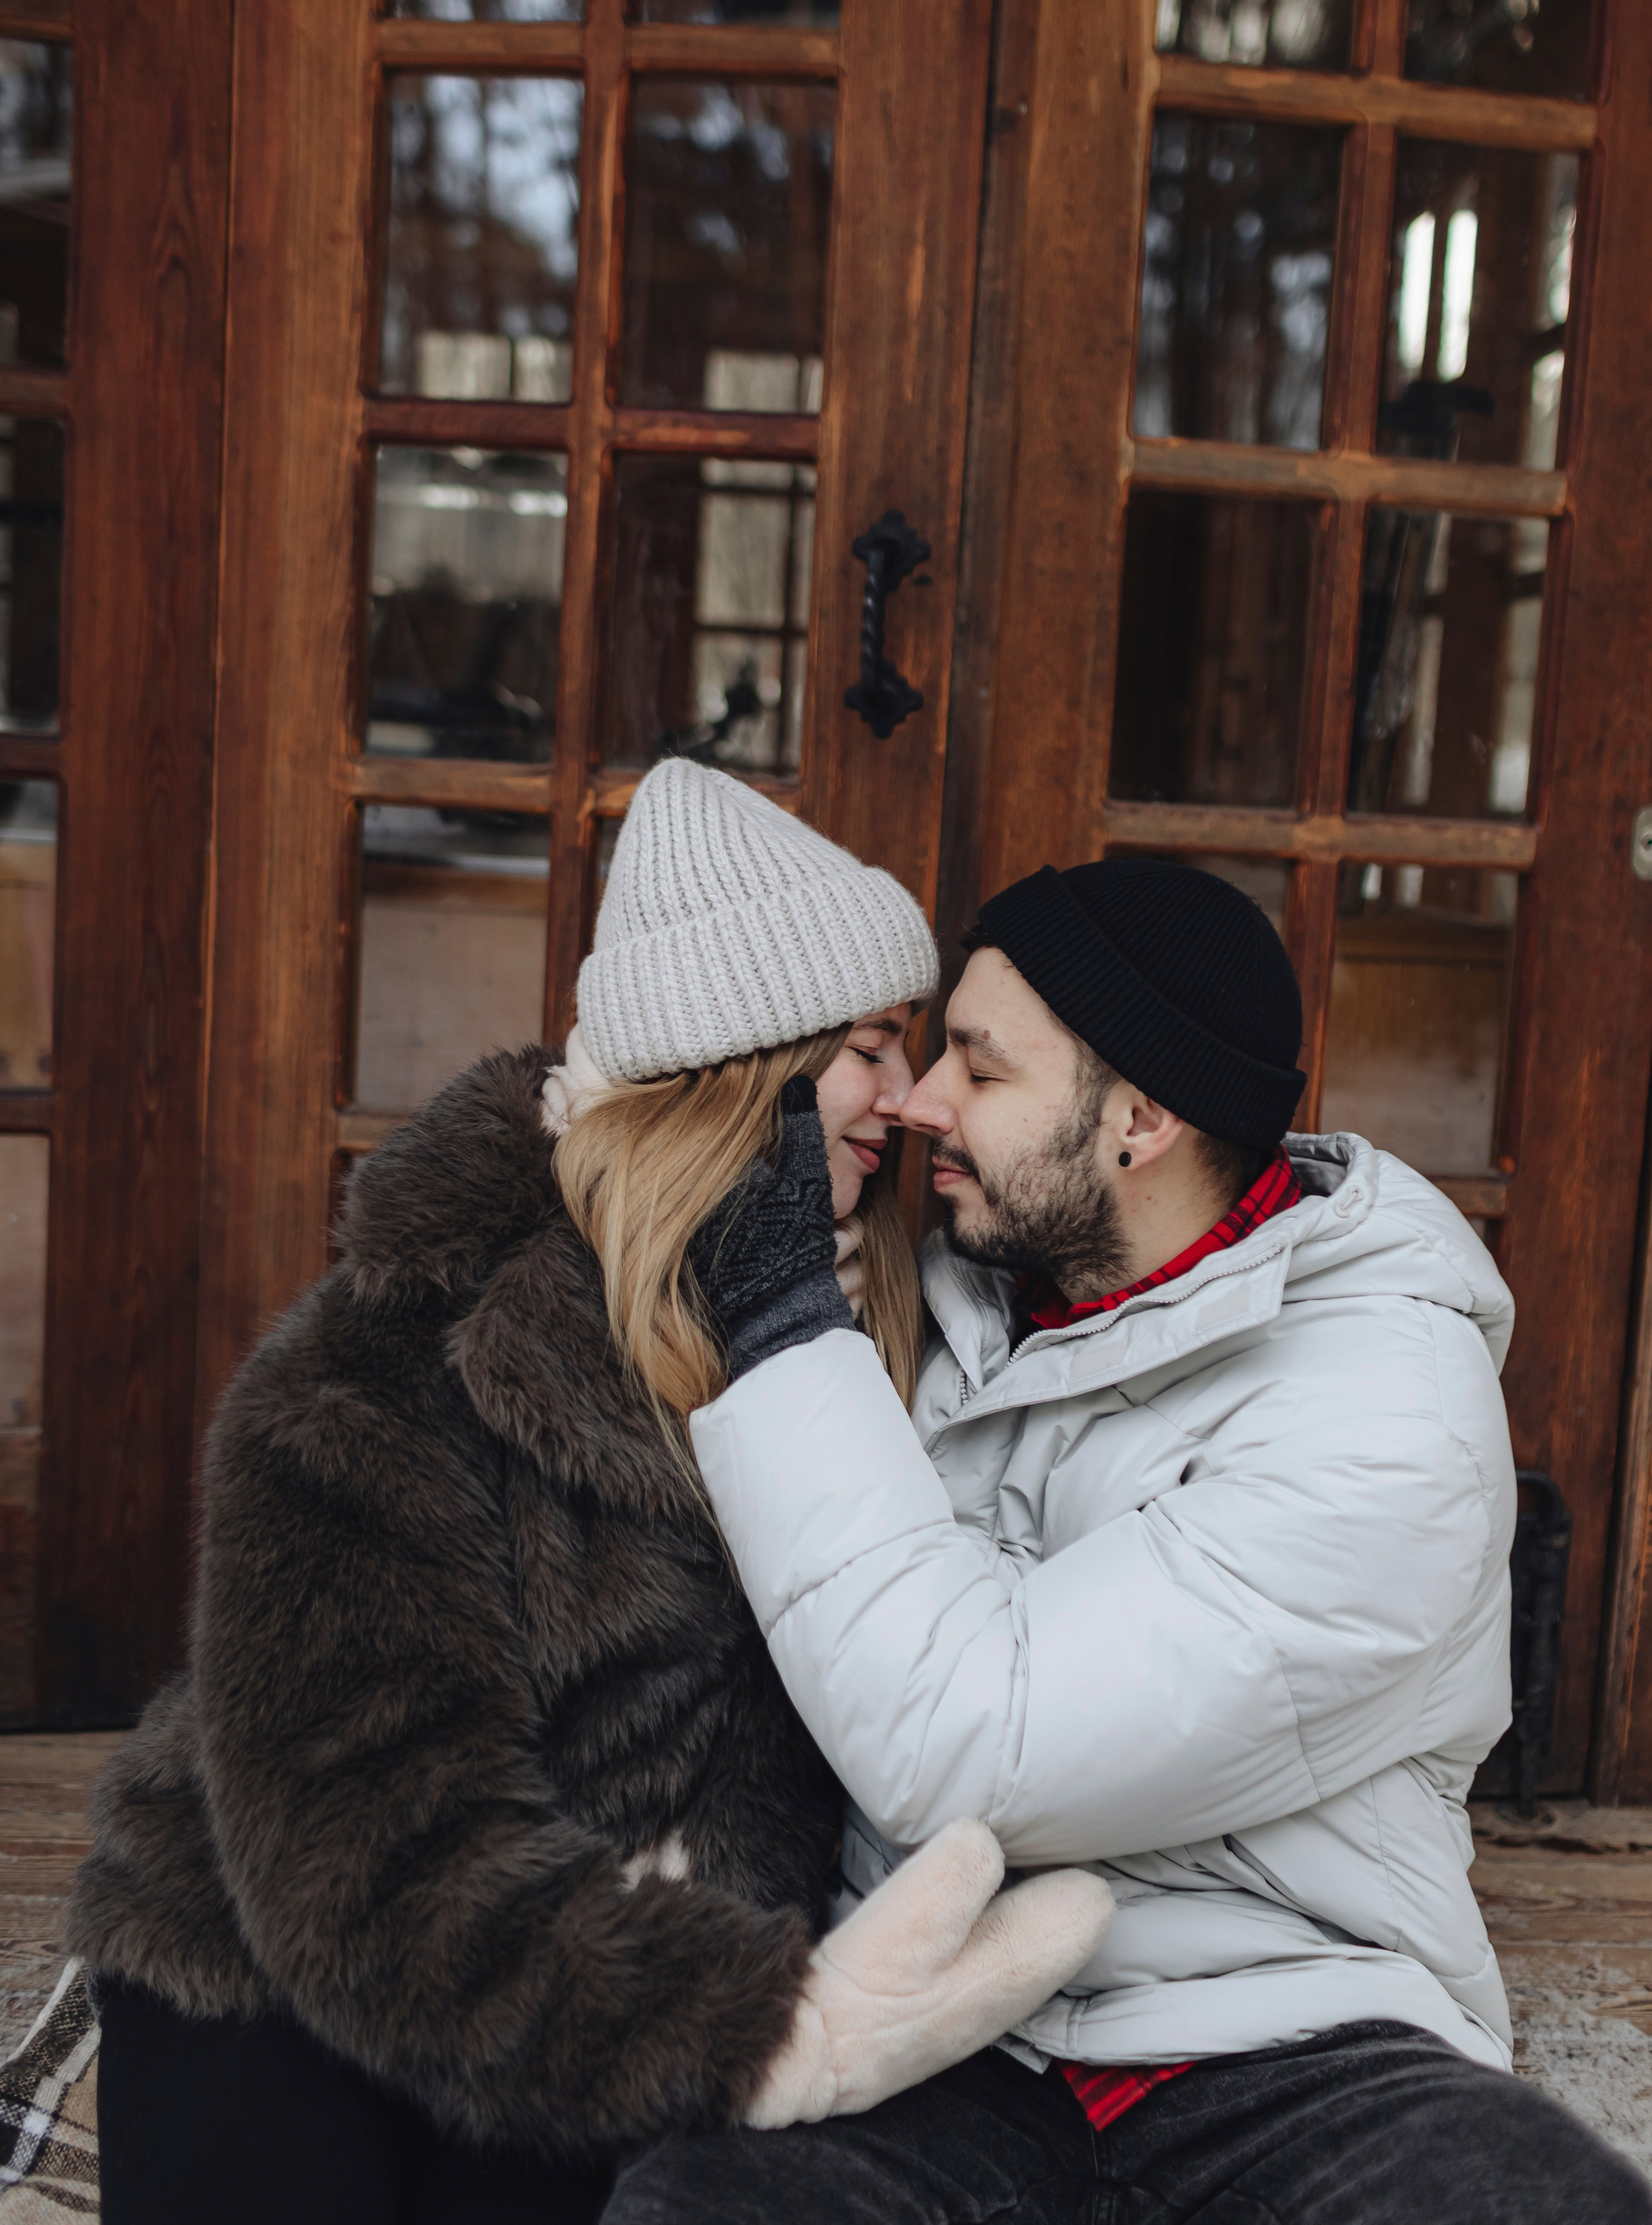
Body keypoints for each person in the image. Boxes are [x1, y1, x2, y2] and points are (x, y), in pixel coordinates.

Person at [68, 764, 1113, 2225]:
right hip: (300, 1975)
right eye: (869, 1047)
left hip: (616, 1993)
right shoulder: (388, 1368)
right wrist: (754, 2025)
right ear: (739, 1068)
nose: (911, 1100)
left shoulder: (874, 1326)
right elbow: (371, 1852)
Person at [607, 855, 1652, 2224]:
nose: (921, 1099)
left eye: (978, 1070)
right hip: (933, 2022)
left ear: (1138, 1119)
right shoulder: (947, 1306)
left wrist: (785, 1329)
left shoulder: (1385, 1409)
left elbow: (972, 1744)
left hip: (1287, 2040)